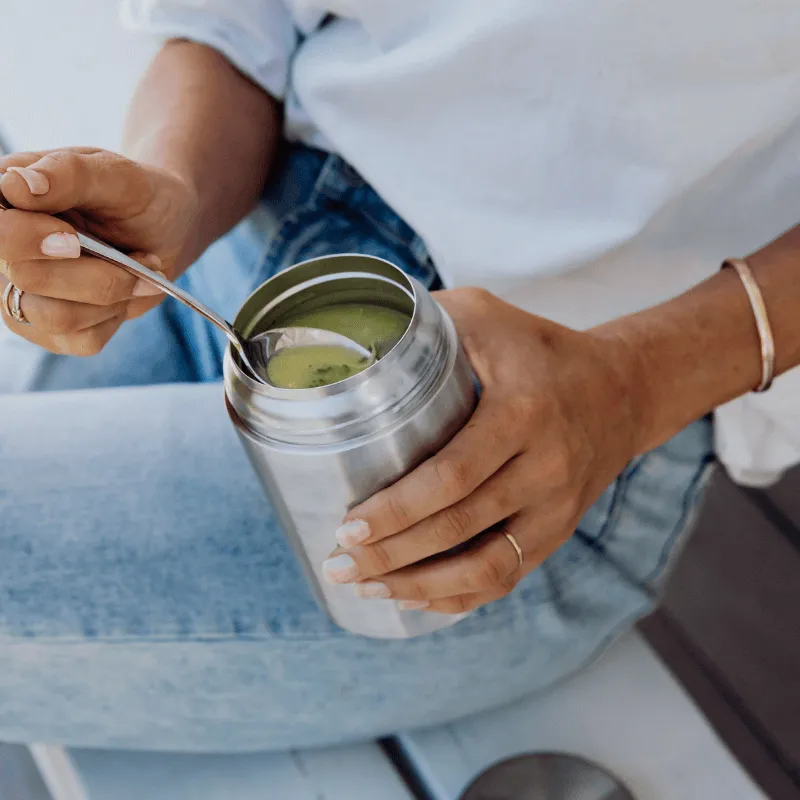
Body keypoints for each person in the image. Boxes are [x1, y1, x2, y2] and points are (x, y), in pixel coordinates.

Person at [0, 1, 798, 752]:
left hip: (527, 436)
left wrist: (632, 386)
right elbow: (243, 24)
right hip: (228, 257)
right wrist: (168, 195)